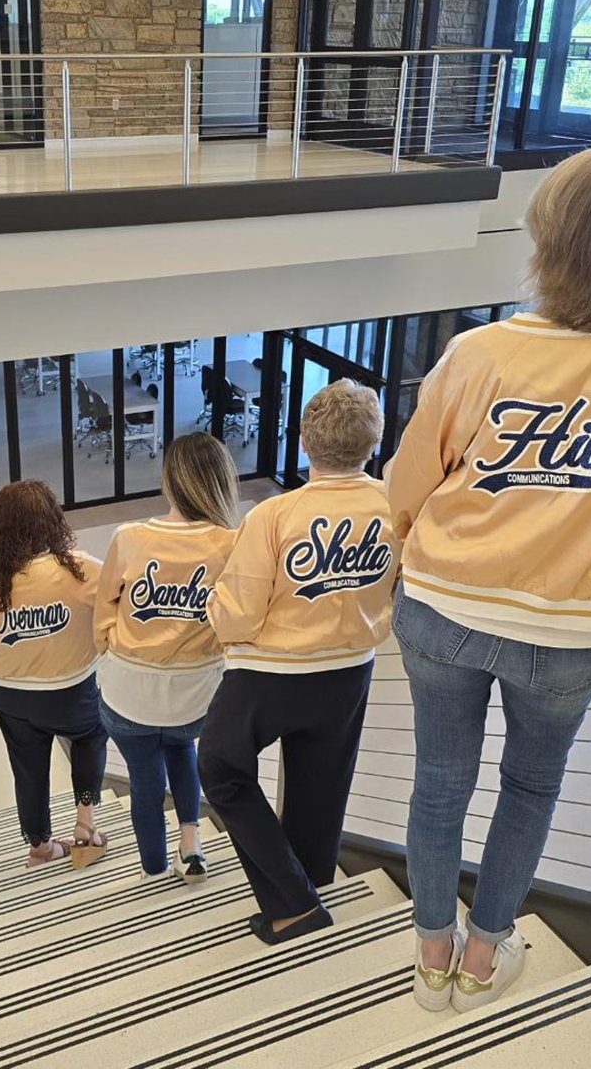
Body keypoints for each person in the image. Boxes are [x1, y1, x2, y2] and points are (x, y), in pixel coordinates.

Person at [385, 143, 591, 1014]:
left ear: (544, 234)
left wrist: (418, 553)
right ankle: (484, 953)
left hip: (443, 608)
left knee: (438, 780)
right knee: (531, 787)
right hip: (573, 629)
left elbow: (408, 485)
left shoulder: (479, 352)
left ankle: (430, 957)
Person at [199, 380, 398, 943]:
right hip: (350, 668)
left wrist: (214, 607)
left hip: (272, 673)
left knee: (218, 766)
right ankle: (311, 878)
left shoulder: (275, 515)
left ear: (305, 443)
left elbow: (237, 615)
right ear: (373, 444)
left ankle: (295, 900)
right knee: (321, 782)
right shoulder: (394, 505)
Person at [94, 433, 240, 882]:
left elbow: (102, 619)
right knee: (182, 747)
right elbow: (238, 622)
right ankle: (191, 842)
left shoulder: (130, 537)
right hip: (195, 697)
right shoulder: (233, 543)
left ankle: (155, 871)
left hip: (128, 696)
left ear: (169, 483)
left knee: (143, 781)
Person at [0, 481, 108, 867]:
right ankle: (85, 823)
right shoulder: (81, 570)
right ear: (52, 521)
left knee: (27, 766)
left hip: (9, 694)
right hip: (70, 689)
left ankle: (40, 846)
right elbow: (115, 614)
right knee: (92, 735)